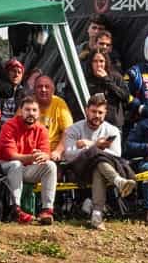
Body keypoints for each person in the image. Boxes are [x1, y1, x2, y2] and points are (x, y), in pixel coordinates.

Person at [55, 95, 134, 228]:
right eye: (93, 112)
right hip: (79, 170)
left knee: (98, 164)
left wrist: (89, 145)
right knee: (98, 156)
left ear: (105, 113)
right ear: (86, 110)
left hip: (104, 168)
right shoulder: (74, 129)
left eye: (100, 112)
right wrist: (96, 146)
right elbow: (68, 154)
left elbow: (116, 155)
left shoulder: (112, 130)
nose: (96, 115)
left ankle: (96, 215)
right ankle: (118, 181)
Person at [0, 92, 60, 225]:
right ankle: (16, 210)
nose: (31, 113)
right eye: (27, 110)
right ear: (21, 111)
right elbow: (11, 155)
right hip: (4, 167)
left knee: (50, 166)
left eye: (34, 110)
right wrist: (33, 157)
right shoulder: (9, 126)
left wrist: (44, 156)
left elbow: (46, 153)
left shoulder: (42, 129)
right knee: (16, 164)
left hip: (26, 168)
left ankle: (47, 210)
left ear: (39, 113)